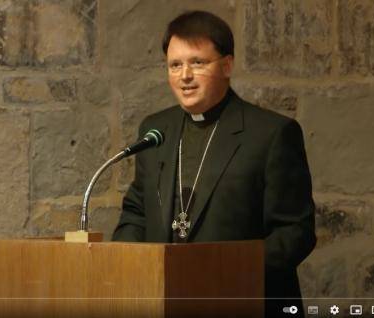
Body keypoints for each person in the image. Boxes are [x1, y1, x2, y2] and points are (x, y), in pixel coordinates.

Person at [112, 10, 316, 317]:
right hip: (164, 302)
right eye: (175, 65)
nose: (185, 76)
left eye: (198, 63)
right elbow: (137, 212)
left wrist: (220, 270)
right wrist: (131, 264)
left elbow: (294, 234)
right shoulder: (156, 131)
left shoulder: (271, 133)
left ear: (227, 65)